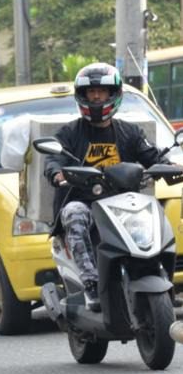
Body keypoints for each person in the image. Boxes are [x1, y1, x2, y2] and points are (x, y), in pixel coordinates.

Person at [43, 62, 169, 312]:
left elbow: (151, 156)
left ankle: (156, 271)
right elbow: (53, 158)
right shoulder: (70, 133)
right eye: (92, 92)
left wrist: (169, 166)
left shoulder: (129, 132)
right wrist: (57, 173)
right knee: (74, 213)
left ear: (114, 94)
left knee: (153, 211)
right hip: (84, 201)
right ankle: (90, 283)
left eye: (102, 92)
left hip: (122, 204)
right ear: (83, 96)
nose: (97, 97)